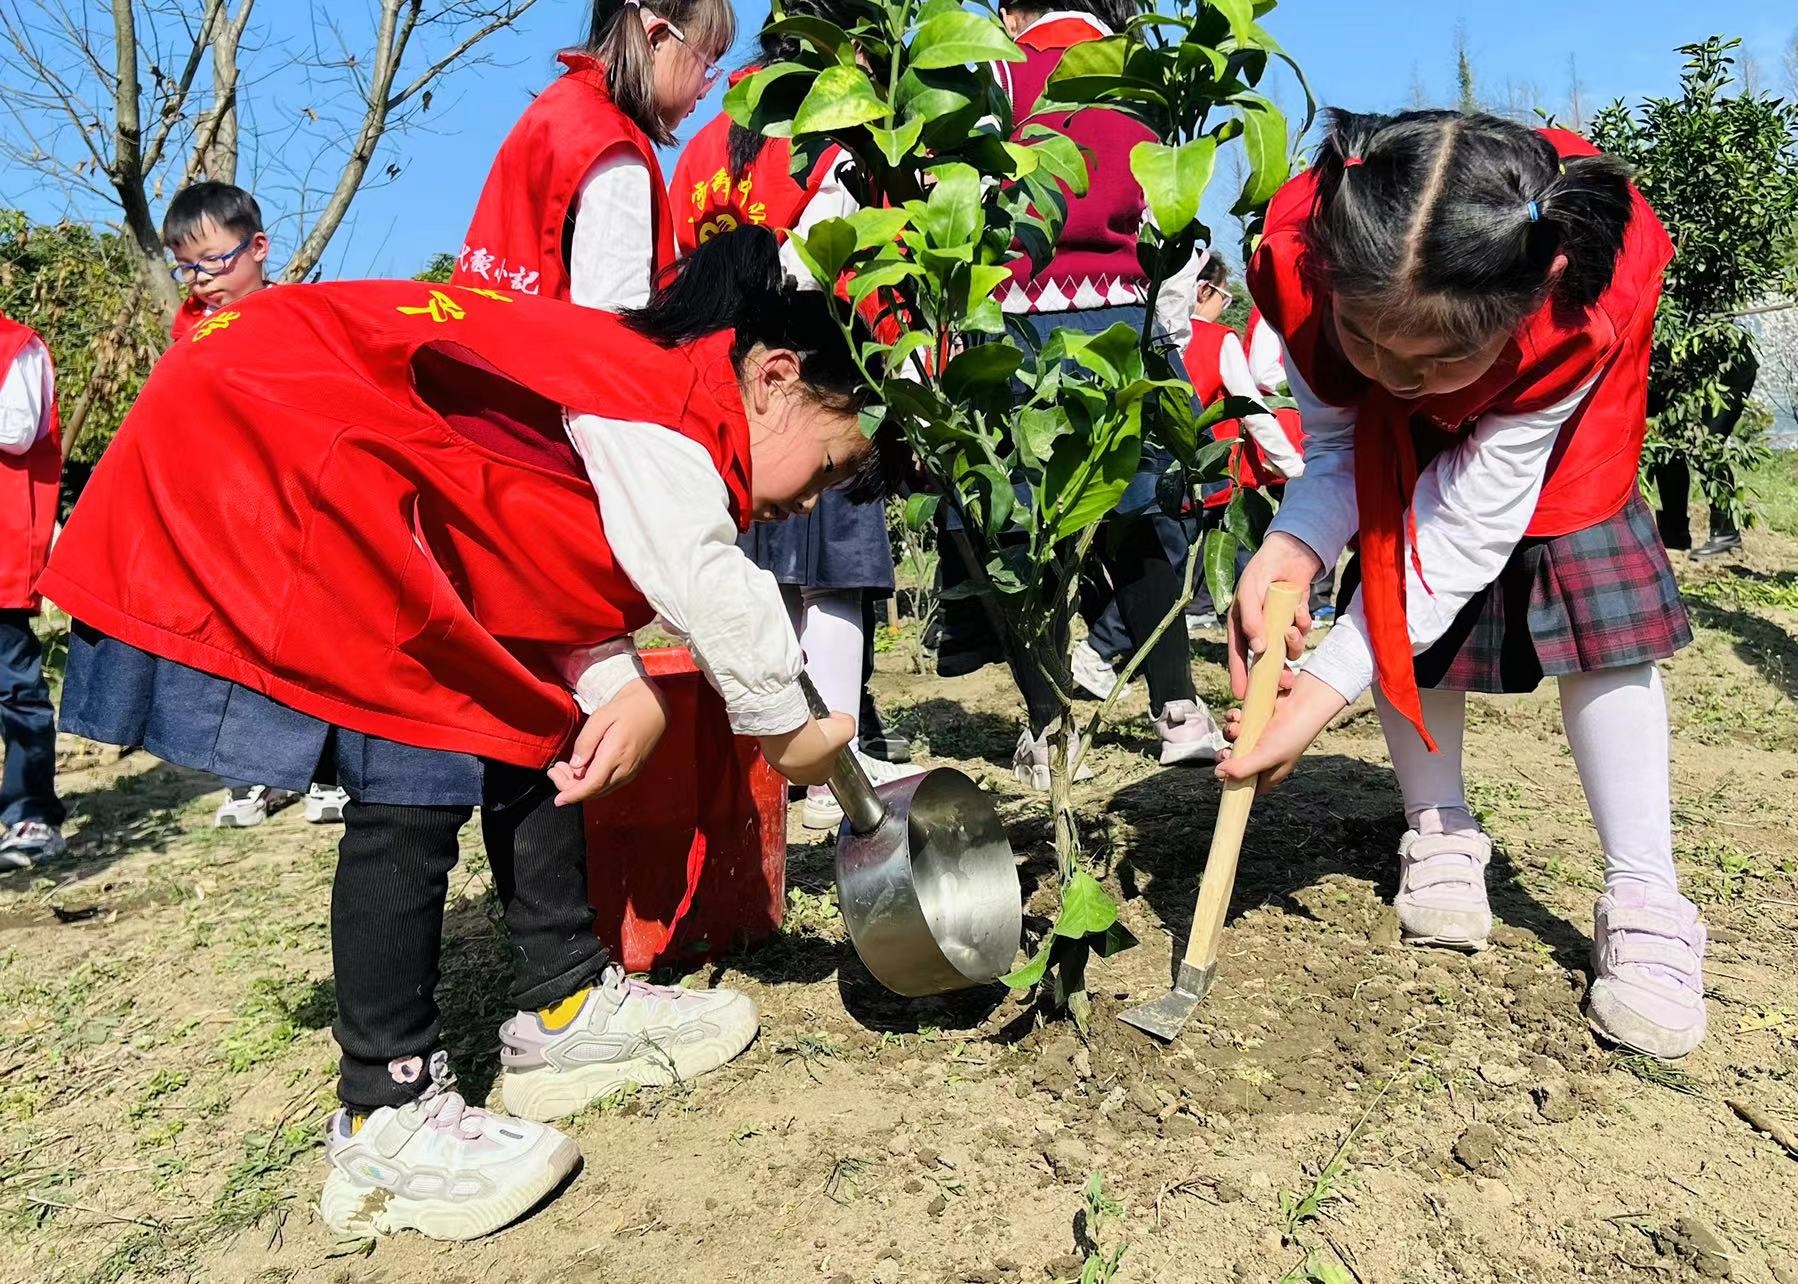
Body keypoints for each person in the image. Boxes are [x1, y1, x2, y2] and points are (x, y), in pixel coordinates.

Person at [43, 230, 898, 1238]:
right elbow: (712, 583)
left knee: (519, 702)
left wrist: (618, 681)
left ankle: (563, 1008)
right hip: (275, 423)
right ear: (778, 378)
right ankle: (384, 1121)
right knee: (412, 752)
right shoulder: (668, 402)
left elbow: (533, 539)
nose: (801, 504)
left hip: (320, 424)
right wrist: (794, 729)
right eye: (824, 471)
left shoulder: (636, 385)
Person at [1220, 110, 1707, 1061]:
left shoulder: (1575, 312)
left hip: (1559, 421)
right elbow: (1332, 444)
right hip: (1426, 323)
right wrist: (1294, 547)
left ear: (1519, 315)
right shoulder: (1311, 261)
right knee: (1391, 546)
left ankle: (1646, 889)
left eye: (1434, 359)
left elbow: (1460, 537)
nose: (1397, 380)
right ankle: (1438, 825)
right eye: (1367, 342)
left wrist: (1318, 698)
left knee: (1585, 578)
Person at [670, 1, 924, 829]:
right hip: (816, 382)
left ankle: (778, 767)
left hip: (730, 391)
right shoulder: (827, 126)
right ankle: (829, 777)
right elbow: (837, 259)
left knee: (768, 580)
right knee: (840, 579)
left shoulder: (715, 137)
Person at [976, 0, 1223, 784]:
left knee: (1023, 528)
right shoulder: (1139, 78)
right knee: (1145, 511)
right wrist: (1168, 332)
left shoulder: (991, 70)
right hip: (1125, 313)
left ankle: (1051, 729)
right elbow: (1169, 219)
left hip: (1019, 323)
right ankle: (1179, 709)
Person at [162, 182, 351, 828]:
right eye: (186, 267)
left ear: (259, 248)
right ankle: (250, 777)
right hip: (227, 518)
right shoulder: (188, 333)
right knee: (237, 652)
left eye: (214, 261)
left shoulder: (299, 318)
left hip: (302, 513)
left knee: (320, 647)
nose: (201, 280)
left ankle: (329, 775)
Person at [451, 0, 732, 306]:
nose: (705, 90)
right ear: (656, 38)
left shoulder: (556, 107)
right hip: (548, 351)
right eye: (706, 65)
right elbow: (614, 320)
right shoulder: (617, 150)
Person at [1179, 255, 1306, 630]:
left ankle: (1237, 619)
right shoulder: (1218, 339)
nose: (1225, 306)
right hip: (1219, 473)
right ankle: (1104, 644)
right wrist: (1293, 464)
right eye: (1225, 297)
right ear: (1204, 290)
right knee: (1243, 544)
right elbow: (1252, 409)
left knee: (1187, 558)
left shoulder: (1158, 335)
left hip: (1174, 475)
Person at [0, 312, 64, 868]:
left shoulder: (17, 346)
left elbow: (18, 431)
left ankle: (31, 813)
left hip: (1, 545)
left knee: (14, 691)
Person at [1651, 342, 1760, 560]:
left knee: (1706, 445)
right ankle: (1674, 534)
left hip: (1728, 369)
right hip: (1680, 376)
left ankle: (1726, 532)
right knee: (1664, 446)